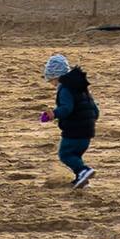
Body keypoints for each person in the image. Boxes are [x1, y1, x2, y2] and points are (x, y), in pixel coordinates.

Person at [39, 52, 98, 188]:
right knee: (76, 155)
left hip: (74, 130)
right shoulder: (81, 87)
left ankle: (84, 171)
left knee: (65, 154)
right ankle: (81, 179)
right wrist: (90, 121)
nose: (52, 84)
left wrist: (53, 114)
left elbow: (67, 108)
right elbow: (95, 110)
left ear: (56, 77)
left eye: (51, 80)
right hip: (88, 130)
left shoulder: (65, 89)